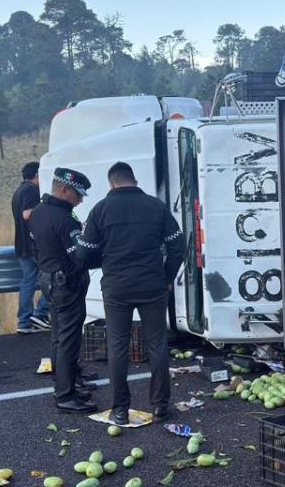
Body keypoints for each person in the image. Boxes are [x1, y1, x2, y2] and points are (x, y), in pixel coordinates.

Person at [75, 162, 185, 425]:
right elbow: (178, 245)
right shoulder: (156, 207)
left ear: (112, 183)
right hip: (153, 285)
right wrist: (167, 277)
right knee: (157, 345)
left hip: (117, 287)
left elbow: (83, 254)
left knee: (117, 346)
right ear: (134, 181)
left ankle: (120, 409)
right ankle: (160, 406)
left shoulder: (100, 209)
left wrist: (105, 259)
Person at [29, 167, 99, 414]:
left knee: (58, 336)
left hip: (48, 278)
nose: (80, 200)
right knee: (69, 339)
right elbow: (79, 256)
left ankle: (64, 383)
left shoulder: (38, 212)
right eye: (77, 194)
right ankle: (66, 395)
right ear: (64, 189)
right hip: (66, 283)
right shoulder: (64, 219)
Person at [12, 161, 51, 334]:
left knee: (28, 281)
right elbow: (27, 214)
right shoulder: (32, 190)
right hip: (34, 244)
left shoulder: (18, 191)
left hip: (21, 243)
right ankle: (40, 313)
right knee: (52, 278)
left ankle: (24, 322)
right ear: (37, 175)